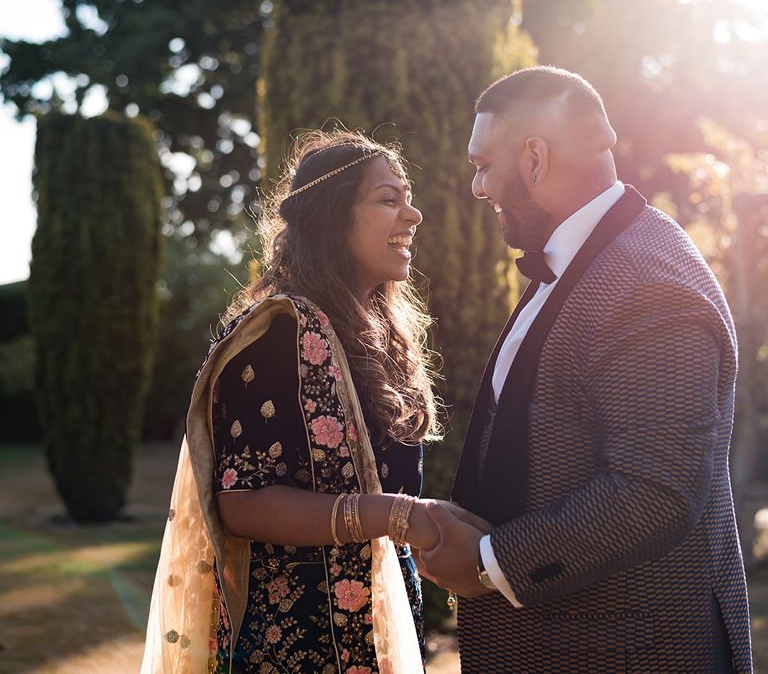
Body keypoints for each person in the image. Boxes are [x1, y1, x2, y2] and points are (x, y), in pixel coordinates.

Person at [415, 66, 753, 672]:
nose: (477, 187)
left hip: (627, 654)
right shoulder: (575, 264)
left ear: (535, 160)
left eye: (482, 164)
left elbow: (657, 491)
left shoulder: (647, 285)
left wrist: (491, 561)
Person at [141, 130, 480, 673]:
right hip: (299, 641)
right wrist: (398, 516)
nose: (413, 215)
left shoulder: (377, 334)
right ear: (332, 214)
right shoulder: (278, 333)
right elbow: (242, 502)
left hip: (381, 620)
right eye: (388, 199)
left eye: (408, 197)